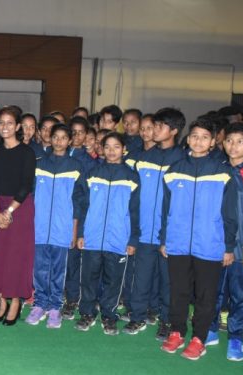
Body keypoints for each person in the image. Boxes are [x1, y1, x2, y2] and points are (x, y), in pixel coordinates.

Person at [159, 117, 238, 360]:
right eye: (194, 136)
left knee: (206, 295)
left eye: (205, 137)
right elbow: (165, 209)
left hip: (210, 244)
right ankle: (177, 332)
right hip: (178, 243)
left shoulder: (223, 173)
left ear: (214, 142)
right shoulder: (174, 172)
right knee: (178, 292)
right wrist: (164, 238)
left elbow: (230, 213)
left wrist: (228, 246)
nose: (198, 141)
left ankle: (199, 338)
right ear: (188, 138)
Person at [122, 107, 186, 340]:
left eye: (160, 126)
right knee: (141, 277)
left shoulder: (182, 161)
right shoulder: (143, 158)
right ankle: (137, 316)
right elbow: (135, 198)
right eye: (154, 125)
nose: (154, 130)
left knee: (169, 282)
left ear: (174, 131)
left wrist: (170, 235)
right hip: (143, 232)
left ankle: (167, 321)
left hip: (169, 235)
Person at [206, 122, 243, 360]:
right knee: (212, 291)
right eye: (229, 140)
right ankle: (209, 329)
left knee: (239, 295)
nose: (233, 146)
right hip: (213, 244)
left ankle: (236, 338)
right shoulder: (214, 168)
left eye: (240, 141)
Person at [75, 132, 140, 336]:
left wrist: (132, 239)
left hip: (118, 239)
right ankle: (86, 313)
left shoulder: (131, 177)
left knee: (113, 282)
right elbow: (84, 206)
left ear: (124, 149)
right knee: (89, 279)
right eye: (107, 147)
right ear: (101, 149)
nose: (111, 151)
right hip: (92, 238)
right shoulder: (92, 173)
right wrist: (81, 233)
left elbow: (135, 210)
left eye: (116, 146)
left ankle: (109, 316)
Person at [25, 123, 83, 328]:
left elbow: (78, 201)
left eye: (63, 137)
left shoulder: (76, 167)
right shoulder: (39, 164)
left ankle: (55, 307)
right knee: (40, 268)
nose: (58, 141)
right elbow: (29, 195)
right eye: (55, 137)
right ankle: (39, 304)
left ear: (70, 141)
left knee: (59, 270)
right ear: (49, 138)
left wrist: (74, 231)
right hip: (39, 226)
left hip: (62, 228)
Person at [0, 106, 37, 324]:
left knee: (17, 256)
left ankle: (15, 301)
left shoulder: (27, 152)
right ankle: (2, 300)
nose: (4, 127)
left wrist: (8, 211)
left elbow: (26, 185)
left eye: (9, 123)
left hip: (20, 207)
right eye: (1, 123)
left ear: (17, 127)